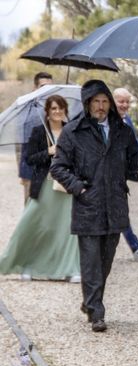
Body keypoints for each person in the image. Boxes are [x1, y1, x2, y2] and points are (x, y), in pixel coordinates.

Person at [50, 80, 138, 333]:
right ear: (88, 103)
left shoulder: (122, 130)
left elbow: (132, 163)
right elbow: (57, 167)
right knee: (91, 262)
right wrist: (78, 187)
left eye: (104, 102)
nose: (101, 107)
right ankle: (97, 313)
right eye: (96, 102)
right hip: (87, 205)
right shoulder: (73, 131)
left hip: (115, 204)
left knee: (105, 262)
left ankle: (90, 301)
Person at [0, 95, 81, 282]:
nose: (57, 112)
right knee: (36, 224)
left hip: (65, 186)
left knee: (66, 228)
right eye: (53, 108)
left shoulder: (72, 132)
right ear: (47, 112)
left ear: (65, 110)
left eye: (60, 108)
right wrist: (48, 152)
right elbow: (29, 158)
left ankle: (70, 269)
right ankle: (27, 265)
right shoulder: (39, 131)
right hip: (44, 185)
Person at [112, 87, 138, 261]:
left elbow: (135, 146)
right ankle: (134, 246)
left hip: (120, 175)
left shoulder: (127, 119)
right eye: (121, 101)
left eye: (127, 101)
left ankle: (134, 246)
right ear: (113, 100)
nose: (125, 105)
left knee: (118, 212)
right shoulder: (108, 121)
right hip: (109, 175)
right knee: (118, 212)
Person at [17, 72, 53, 204]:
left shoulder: (55, 108)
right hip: (31, 167)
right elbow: (25, 139)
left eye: (50, 87)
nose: (47, 90)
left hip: (51, 170)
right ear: (35, 88)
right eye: (43, 86)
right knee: (30, 207)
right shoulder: (26, 106)